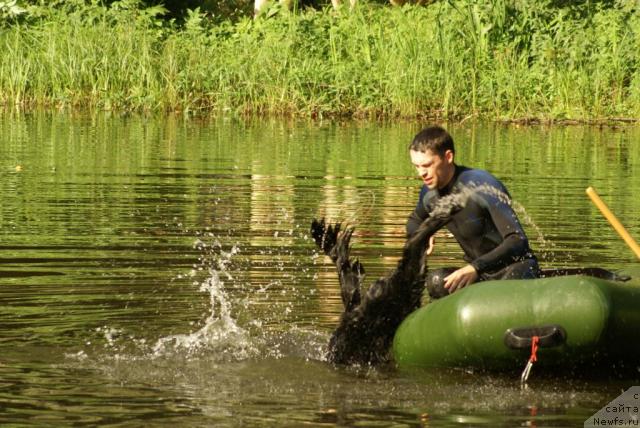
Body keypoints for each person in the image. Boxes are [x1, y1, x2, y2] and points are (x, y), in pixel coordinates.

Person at [406, 125, 539, 298]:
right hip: (480, 273)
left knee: (503, 291)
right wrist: (422, 235)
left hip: (515, 270)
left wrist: (476, 267)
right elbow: (414, 221)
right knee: (437, 281)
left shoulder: (482, 186)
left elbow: (517, 240)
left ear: (448, 157)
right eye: (416, 166)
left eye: (427, 165)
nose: (421, 173)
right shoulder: (429, 194)